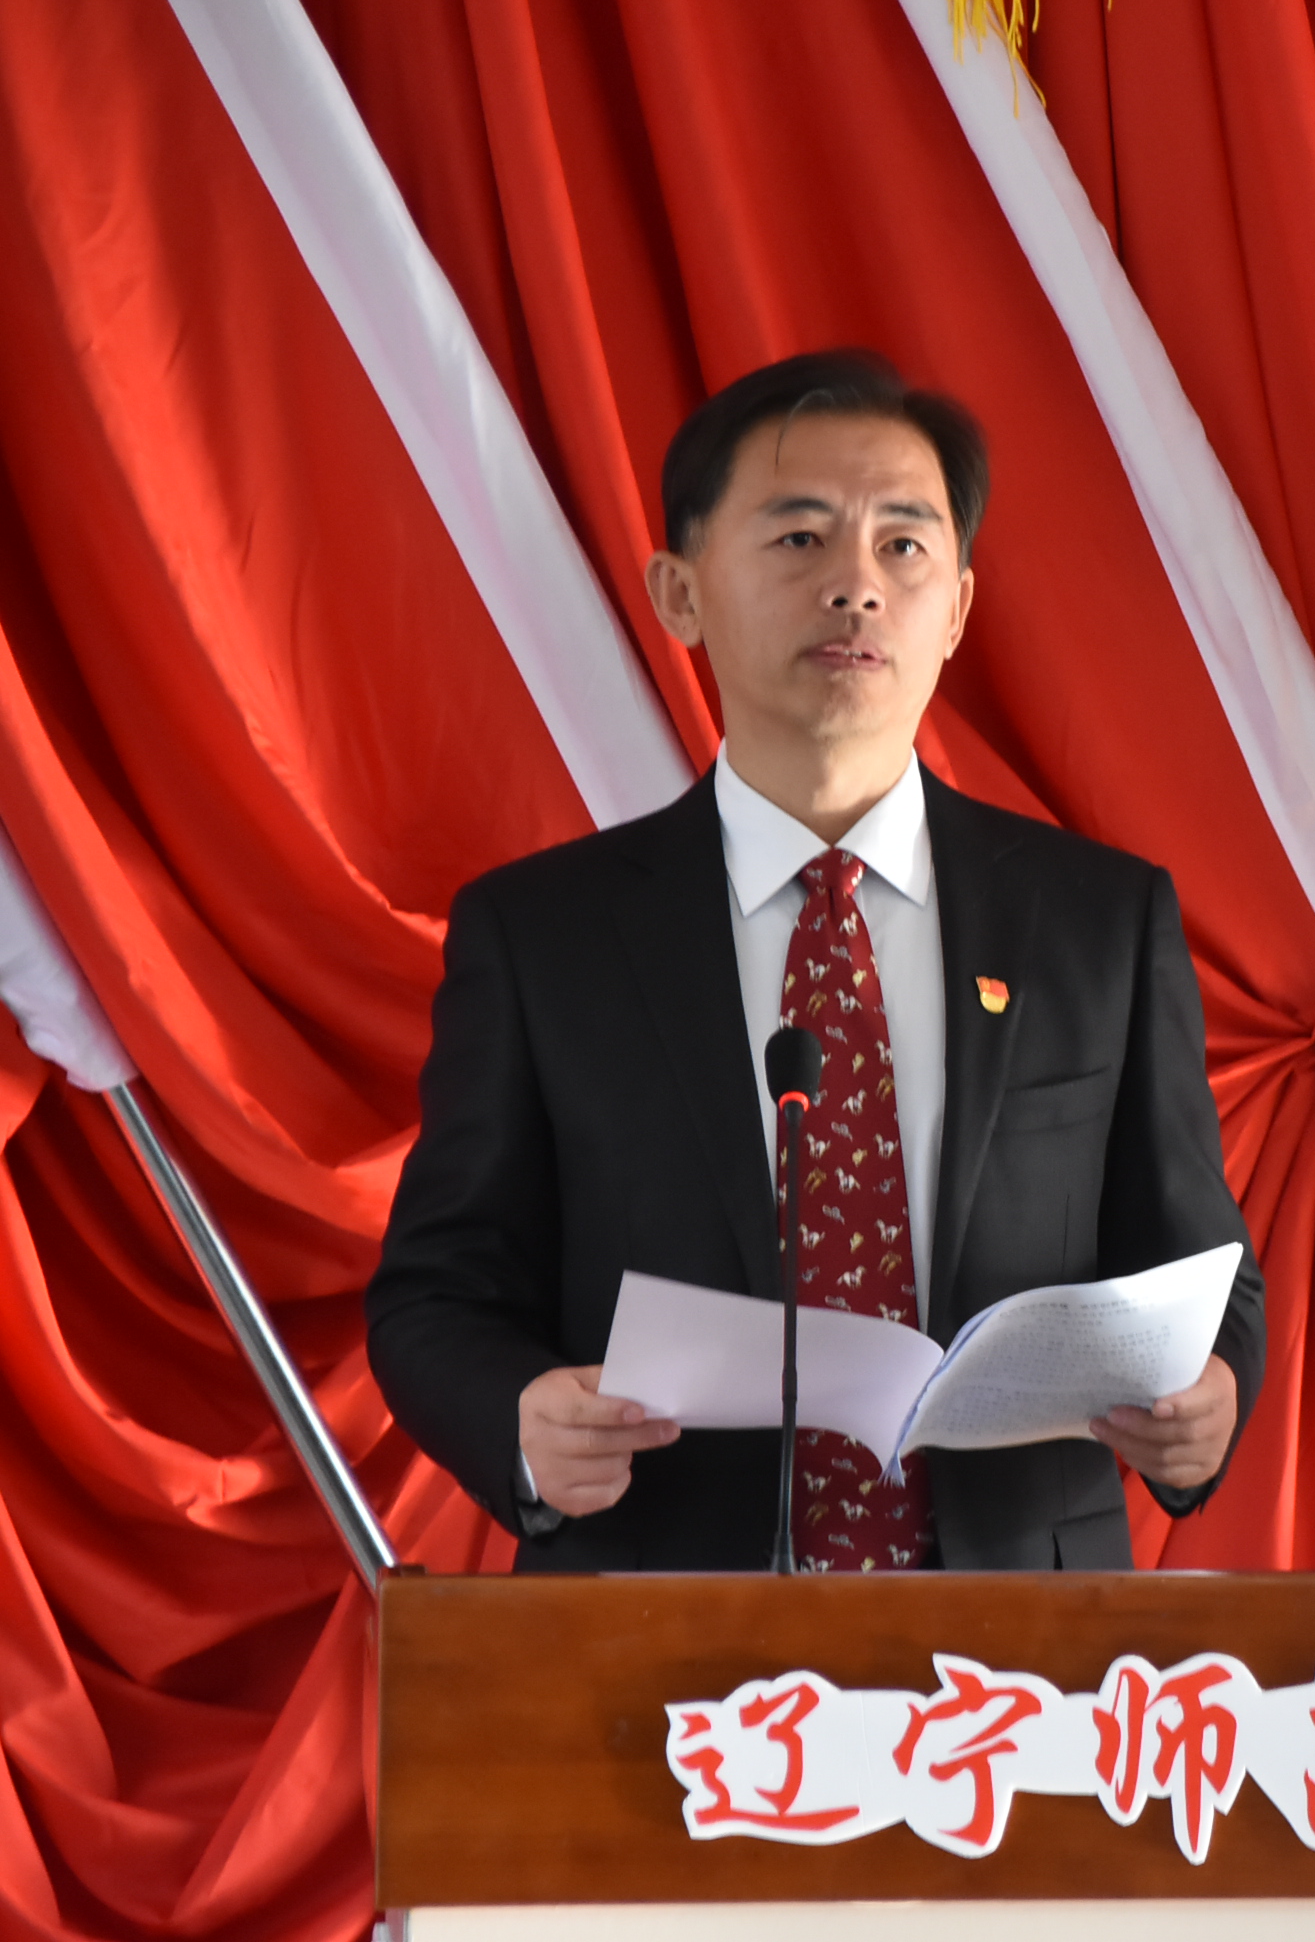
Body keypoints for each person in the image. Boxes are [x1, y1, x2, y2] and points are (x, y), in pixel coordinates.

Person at [365, 349, 1261, 1572]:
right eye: (799, 539)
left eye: (903, 544)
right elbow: (436, 1292)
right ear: (680, 592)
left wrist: (1210, 1398)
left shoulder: (1096, 921)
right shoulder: (544, 937)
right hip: (655, 1621)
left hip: (1015, 1640)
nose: (856, 585)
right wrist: (520, 1419)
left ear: (957, 608)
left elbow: (1206, 1271)